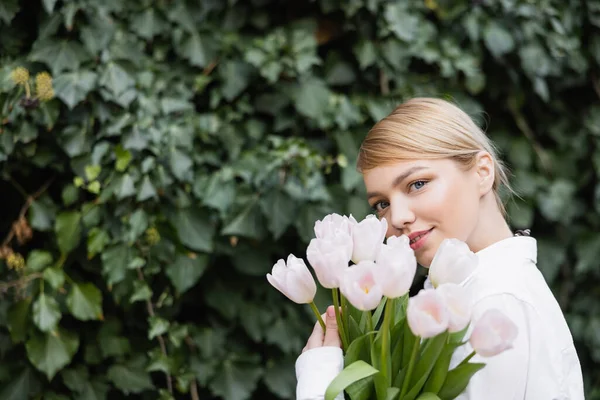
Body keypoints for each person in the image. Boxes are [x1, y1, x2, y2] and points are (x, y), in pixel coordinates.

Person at [295, 98, 585, 400]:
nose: (397, 217)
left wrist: (318, 383)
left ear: (482, 172)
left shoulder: (496, 302)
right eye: (382, 204)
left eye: (417, 184)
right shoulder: (474, 291)